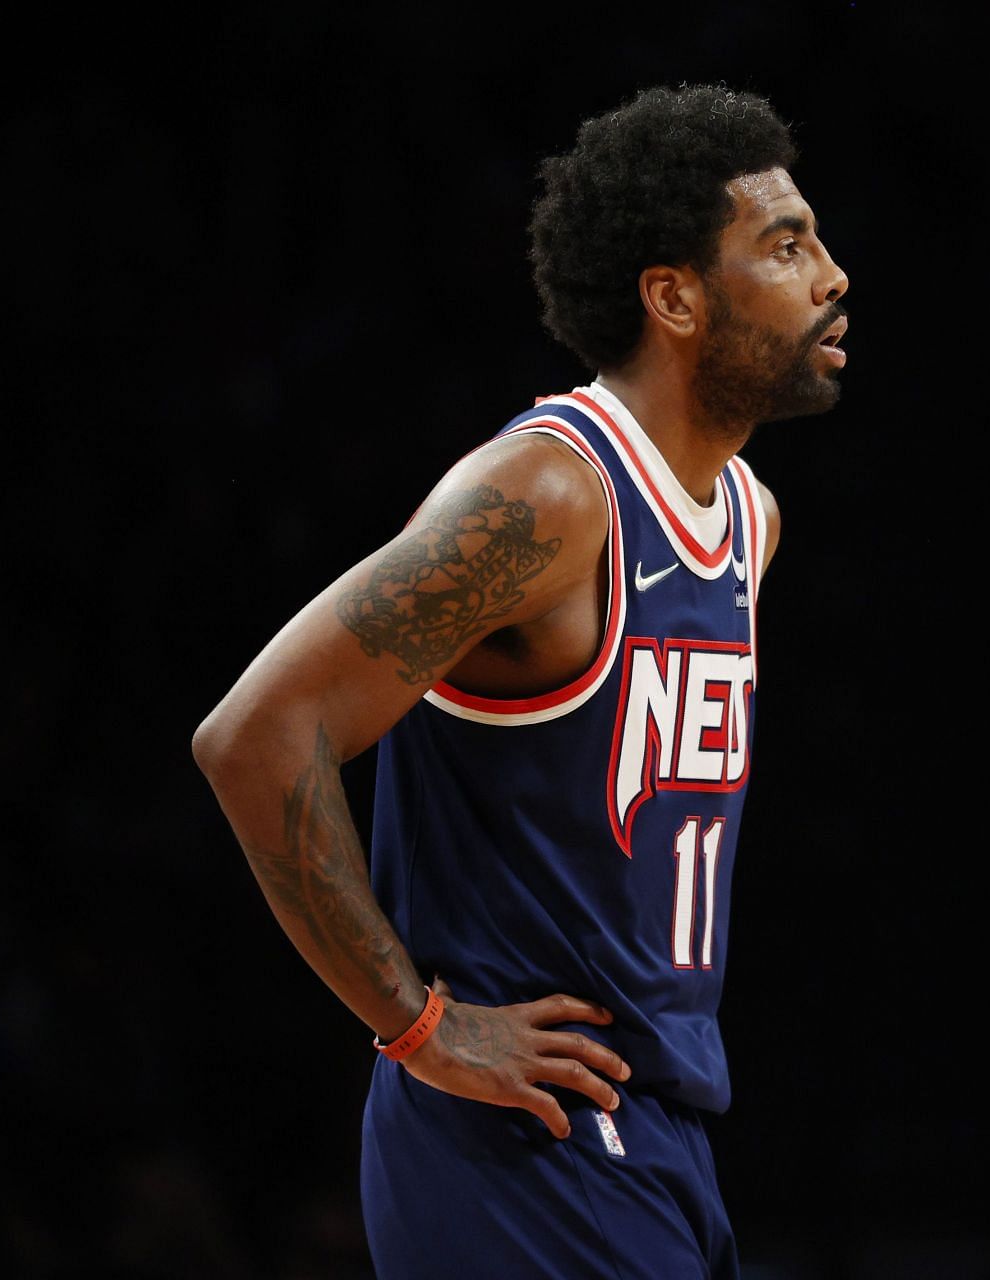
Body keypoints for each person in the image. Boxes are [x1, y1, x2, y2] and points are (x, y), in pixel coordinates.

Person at [192, 83, 850, 1278]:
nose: (833, 274)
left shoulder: (749, 521)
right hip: (520, 1138)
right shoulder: (549, 496)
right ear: (675, 297)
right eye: (788, 244)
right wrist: (422, 1022)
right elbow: (256, 731)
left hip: (660, 1128)